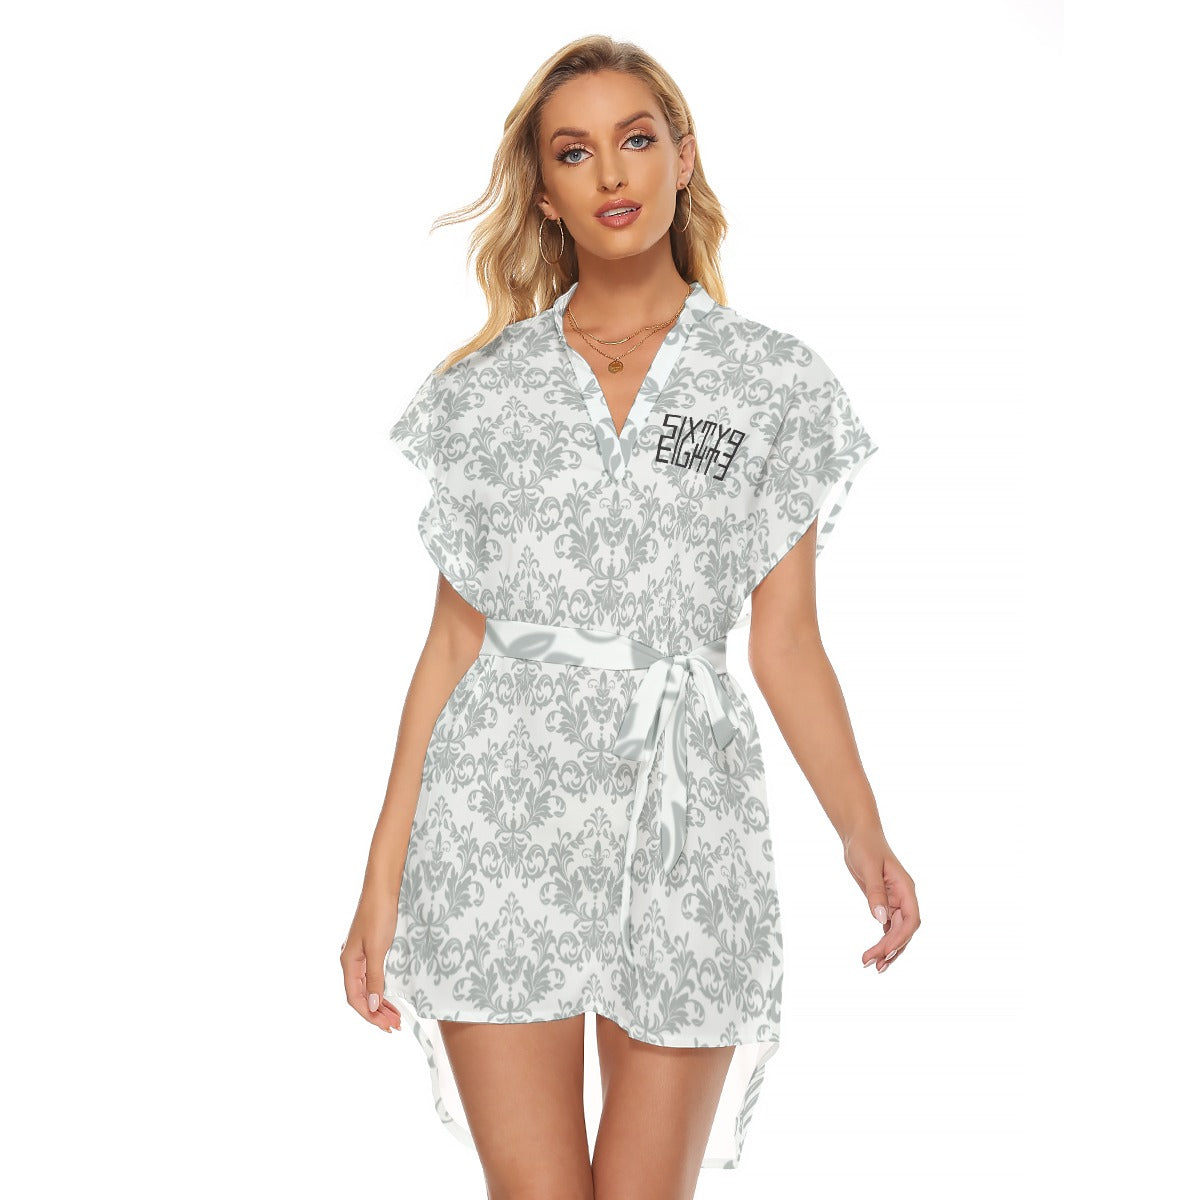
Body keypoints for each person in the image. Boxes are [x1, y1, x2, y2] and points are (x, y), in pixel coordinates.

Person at [340, 34, 921, 1200]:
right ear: (543, 193)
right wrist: (381, 876)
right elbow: (454, 642)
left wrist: (863, 835)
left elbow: (786, 644)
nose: (611, 172)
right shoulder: (485, 391)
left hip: (686, 824)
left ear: (682, 158)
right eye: (574, 152)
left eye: (637, 139)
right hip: (500, 824)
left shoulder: (770, 383)